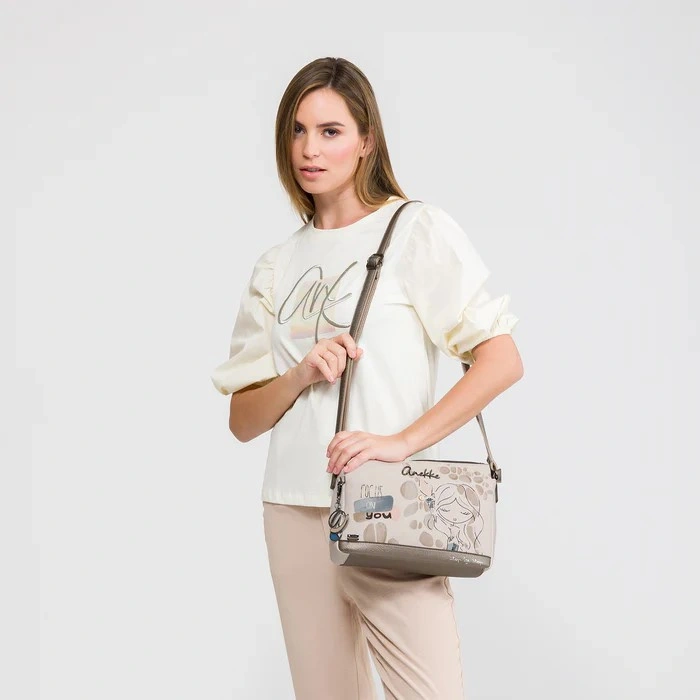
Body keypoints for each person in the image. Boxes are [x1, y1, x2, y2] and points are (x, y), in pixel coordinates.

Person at [211, 56, 524, 700]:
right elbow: (242, 421)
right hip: (293, 510)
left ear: (366, 141)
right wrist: (300, 373)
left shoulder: (413, 230)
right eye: (298, 130)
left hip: (387, 503)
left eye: (331, 131)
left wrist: (400, 443)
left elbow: (502, 359)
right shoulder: (277, 264)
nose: (310, 149)